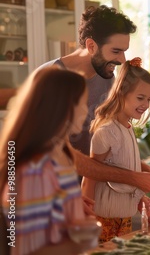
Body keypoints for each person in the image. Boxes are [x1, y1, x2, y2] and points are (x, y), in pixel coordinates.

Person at [37, 5, 150, 197]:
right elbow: (60, 154)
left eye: (124, 51)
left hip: (93, 194)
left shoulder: (107, 79)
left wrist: (142, 173)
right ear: (91, 46)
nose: (122, 60)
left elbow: (105, 147)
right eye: (116, 51)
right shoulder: (50, 79)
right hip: (53, 194)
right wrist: (133, 178)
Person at [0, 68, 97, 254]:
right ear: (61, 107)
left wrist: (73, 211)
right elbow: (25, 251)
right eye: (83, 103)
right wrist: (82, 242)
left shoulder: (63, 155)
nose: (87, 111)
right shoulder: (34, 171)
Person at [81, 58, 150, 242]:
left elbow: (120, 165)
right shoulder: (107, 131)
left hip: (123, 218)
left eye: (148, 99)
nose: (145, 104)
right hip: (103, 219)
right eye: (140, 98)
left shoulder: (127, 127)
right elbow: (91, 175)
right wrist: (86, 219)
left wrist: (142, 193)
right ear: (121, 93)